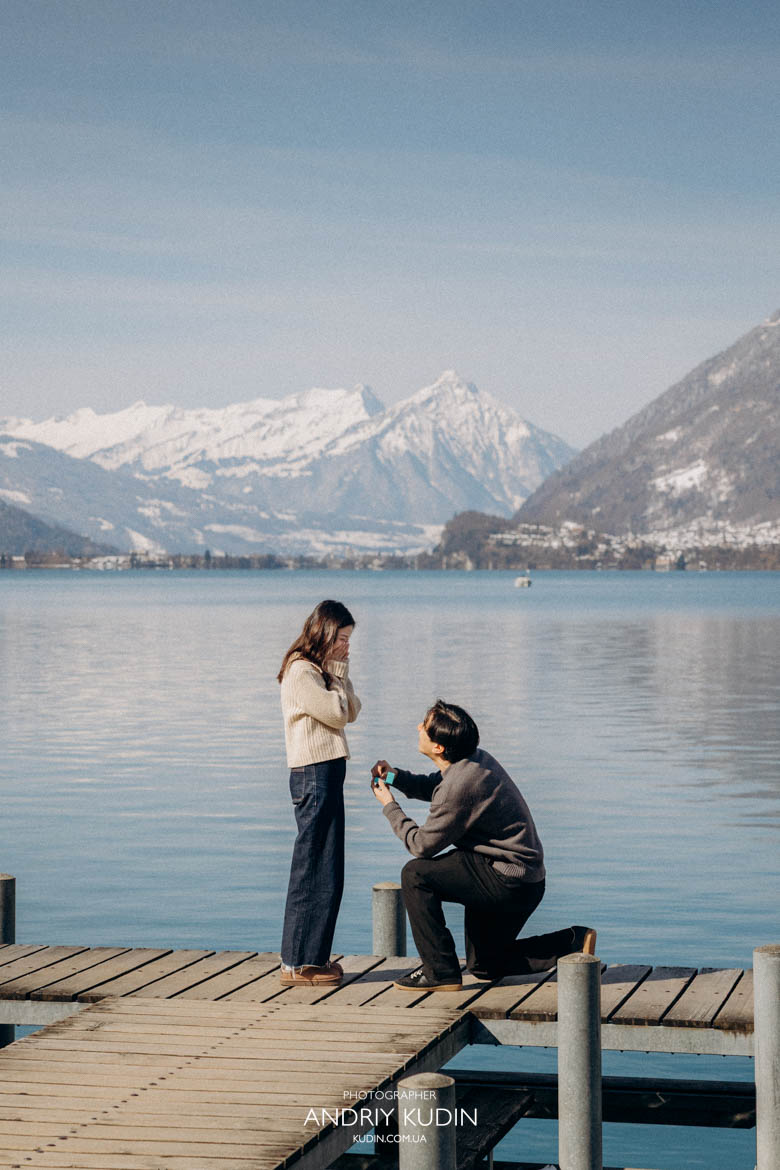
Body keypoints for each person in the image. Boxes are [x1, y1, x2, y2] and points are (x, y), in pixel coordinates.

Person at [370, 699, 596, 991]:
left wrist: (389, 806)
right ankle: (571, 942)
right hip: (522, 879)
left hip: (506, 881)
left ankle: (440, 972)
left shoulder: (459, 785)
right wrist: (392, 777)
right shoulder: (475, 760)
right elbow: (436, 787)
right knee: (484, 965)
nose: (417, 727)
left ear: (438, 747)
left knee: (415, 874)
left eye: (424, 726)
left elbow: (421, 845)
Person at [278, 600, 361, 986]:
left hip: (327, 772)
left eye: (349, 639)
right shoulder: (301, 671)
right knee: (311, 867)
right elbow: (337, 714)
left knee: (329, 869)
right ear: (324, 633)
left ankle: (315, 957)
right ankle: (295, 963)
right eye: (342, 638)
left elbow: (352, 710)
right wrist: (337, 675)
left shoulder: (322, 671)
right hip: (313, 774)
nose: (346, 646)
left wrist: (338, 675)